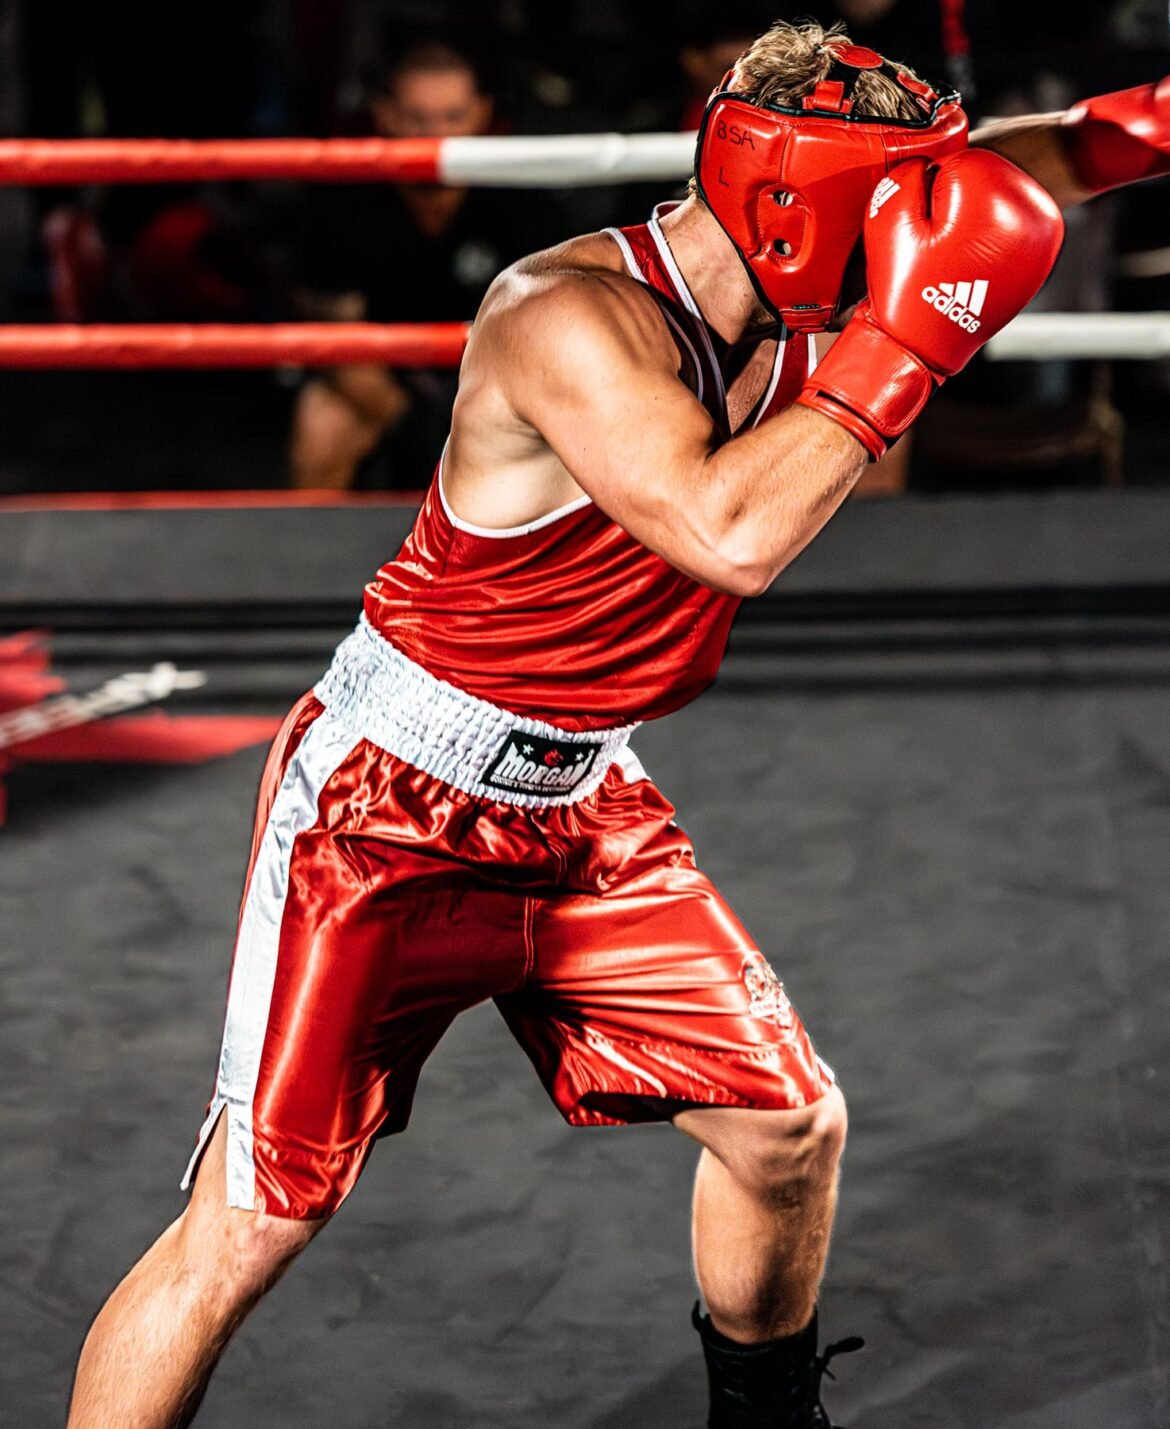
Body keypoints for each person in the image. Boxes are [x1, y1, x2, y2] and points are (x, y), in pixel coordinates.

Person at [66, 20, 1169, 1429]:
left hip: (587, 807)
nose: (917, 239)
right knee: (252, 1223)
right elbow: (729, 532)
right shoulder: (564, 316)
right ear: (794, 202)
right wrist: (905, 340)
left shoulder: (827, 258)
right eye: (888, 211)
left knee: (785, 1130)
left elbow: (1072, 149)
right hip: (387, 814)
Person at [289, 33, 565, 490]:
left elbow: (553, 326)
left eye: (453, 117)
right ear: (385, 115)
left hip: (496, 381)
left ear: (482, 112)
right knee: (323, 423)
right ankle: (314, 559)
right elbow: (328, 328)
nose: (436, 136)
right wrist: (411, 421)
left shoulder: (522, 197)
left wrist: (478, 412)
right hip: (384, 382)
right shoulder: (346, 198)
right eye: (417, 118)